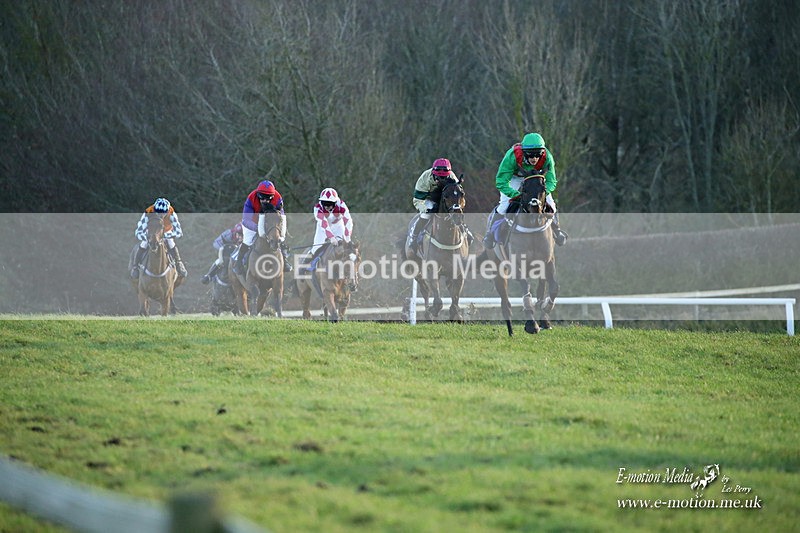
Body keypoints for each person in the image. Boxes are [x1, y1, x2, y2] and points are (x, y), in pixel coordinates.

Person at [483, 132, 568, 248]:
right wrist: (516, 194)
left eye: (538, 155)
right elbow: (501, 181)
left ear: (542, 152)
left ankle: (557, 231)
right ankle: (490, 235)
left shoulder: (547, 157)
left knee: (551, 204)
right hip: (515, 177)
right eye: (530, 155)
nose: (534, 159)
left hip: (536, 179)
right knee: (503, 206)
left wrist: (541, 193)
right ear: (524, 153)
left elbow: (551, 181)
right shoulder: (512, 156)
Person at [234, 179, 291, 274]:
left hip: (269, 223)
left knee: (279, 238)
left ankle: (284, 261)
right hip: (253, 222)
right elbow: (246, 220)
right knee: (248, 240)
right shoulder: (251, 198)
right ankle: (239, 263)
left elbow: (281, 216)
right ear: (258, 195)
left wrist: (279, 231)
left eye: (268, 198)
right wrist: (257, 228)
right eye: (263, 198)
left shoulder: (277, 198)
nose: (265, 201)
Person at [408, 158, 459, 254]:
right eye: (438, 177)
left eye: (444, 177)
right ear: (433, 173)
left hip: (445, 199)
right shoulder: (425, 178)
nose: (440, 180)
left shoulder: (452, 177)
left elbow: (458, 194)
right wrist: (426, 209)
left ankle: (465, 232)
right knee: (425, 215)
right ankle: (414, 239)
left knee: (456, 214)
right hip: (429, 199)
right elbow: (418, 200)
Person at [131, 197, 188, 278]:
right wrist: (147, 237)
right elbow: (138, 232)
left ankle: (179, 263)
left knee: (171, 242)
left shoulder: (171, 212)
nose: (161, 216)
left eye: (163, 213)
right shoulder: (148, 212)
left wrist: (164, 236)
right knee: (143, 244)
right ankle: (135, 266)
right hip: (151, 232)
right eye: (158, 213)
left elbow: (179, 232)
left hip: (166, 231)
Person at [306, 187, 353, 271]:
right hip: (322, 228)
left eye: (330, 204)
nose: (327, 206)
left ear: (335, 202)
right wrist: (331, 237)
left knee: (344, 246)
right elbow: (324, 224)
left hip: (338, 226)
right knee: (316, 247)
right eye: (325, 203)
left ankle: (349, 267)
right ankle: (306, 264)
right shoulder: (317, 208)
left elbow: (348, 221)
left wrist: (347, 238)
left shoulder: (341, 205)